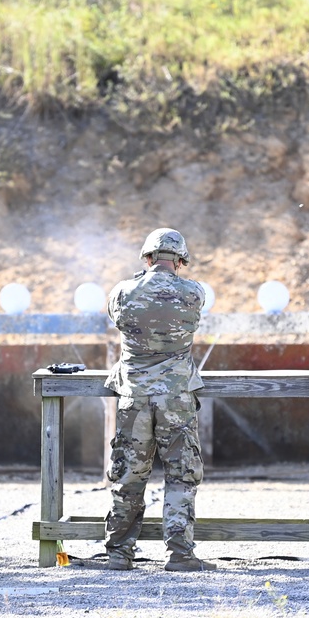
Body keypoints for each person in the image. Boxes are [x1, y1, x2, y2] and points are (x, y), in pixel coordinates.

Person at [103, 227, 215, 572]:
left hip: (133, 398)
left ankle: (119, 554)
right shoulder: (194, 293)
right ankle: (180, 554)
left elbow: (113, 317)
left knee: (129, 477)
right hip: (176, 400)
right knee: (181, 476)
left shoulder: (123, 291)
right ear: (180, 261)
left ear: (147, 258)